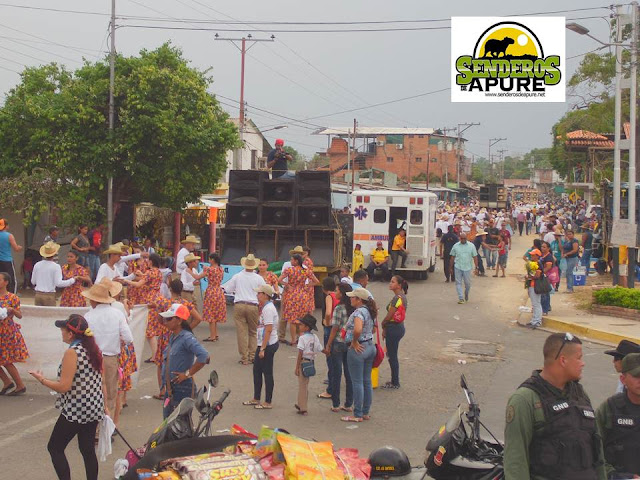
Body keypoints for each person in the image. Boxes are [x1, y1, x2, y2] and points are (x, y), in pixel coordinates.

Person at [503, 332, 606, 480]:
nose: (582, 363)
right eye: (579, 358)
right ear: (563, 360)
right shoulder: (525, 399)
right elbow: (515, 461)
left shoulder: (580, 394)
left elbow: (597, 451)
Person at [29, 315, 104, 480]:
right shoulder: (92, 348)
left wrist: (42, 380)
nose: (61, 332)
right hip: (94, 406)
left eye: (63, 329)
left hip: (77, 409)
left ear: (70, 334)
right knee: (87, 449)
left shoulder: (72, 352)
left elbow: (64, 386)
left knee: (54, 447)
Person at [82, 281, 133, 420]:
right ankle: (106, 426)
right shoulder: (117, 314)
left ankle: (93, 424)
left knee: (92, 392)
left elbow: (83, 339)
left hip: (92, 358)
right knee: (110, 394)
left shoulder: (88, 316)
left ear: (94, 300)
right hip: (110, 358)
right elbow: (128, 338)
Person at [158, 303, 210, 418]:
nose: (165, 322)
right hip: (171, 388)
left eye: (169, 319)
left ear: (179, 321)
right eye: (165, 319)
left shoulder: (187, 338)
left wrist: (187, 374)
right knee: (169, 425)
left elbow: (204, 356)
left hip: (182, 387)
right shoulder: (173, 336)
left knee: (179, 426)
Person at [597, 352, 640, 478]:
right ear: (623, 379)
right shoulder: (609, 408)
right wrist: (614, 475)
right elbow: (593, 450)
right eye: (637, 376)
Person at [342, 287, 376, 423]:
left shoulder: (358, 313)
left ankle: (357, 414)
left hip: (359, 348)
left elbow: (357, 329)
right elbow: (373, 329)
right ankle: (365, 412)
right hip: (369, 346)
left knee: (357, 382)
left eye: (353, 297)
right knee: (366, 380)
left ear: (359, 300)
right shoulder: (370, 311)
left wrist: (355, 341)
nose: (350, 299)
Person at [224, 254, 266, 365]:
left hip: (239, 304)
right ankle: (252, 356)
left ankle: (244, 357)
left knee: (241, 332)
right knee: (253, 332)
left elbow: (228, 288)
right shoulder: (258, 278)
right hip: (253, 305)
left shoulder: (237, 276)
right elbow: (264, 290)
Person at [243, 284, 280, 409]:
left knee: (267, 372)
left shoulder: (268, 309)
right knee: (257, 371)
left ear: (265, 295)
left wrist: (263, 348)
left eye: (259, 293)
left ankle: (268, 401)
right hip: (263, 343)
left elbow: (268, 329)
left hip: (268, 344)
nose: (257, 295)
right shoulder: (265, 307)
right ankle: (256, 398)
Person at [123, 253, 165, 362]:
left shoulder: (149, 272)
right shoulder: (159, 272)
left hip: (149, 299)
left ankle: (155, 355)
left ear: (150, 262)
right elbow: (149, 280)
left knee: (149, 330)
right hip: (158, 298)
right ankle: (156, 354)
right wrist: (142, 274)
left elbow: (138, 285)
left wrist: (126, 281)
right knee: (154, 328)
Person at [323, 282, 354, 413]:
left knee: (336, 374)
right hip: (350, 343)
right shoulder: (353, 308)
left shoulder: (339, 308)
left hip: (338, 343)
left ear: (342, 293)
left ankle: (336, 404)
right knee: (349, 374)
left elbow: (334, 329)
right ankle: (348, 404)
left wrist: (328, 345)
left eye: (337, 290)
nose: (335, 293)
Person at [278, 253, 319, 348]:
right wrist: (307, 285)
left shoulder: (289, 270)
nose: (291, 261)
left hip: (292, 296)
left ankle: (293, 340)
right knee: (301, 319)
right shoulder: (306, 271)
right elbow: (316, 281)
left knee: (292, 320)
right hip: (303, 295)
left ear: (296, 261)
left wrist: (287, 285)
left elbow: (279, 280)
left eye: (292, 260)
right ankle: (300, 338)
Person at [0, 272, 28, 396]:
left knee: (6, 360)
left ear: (6, 282)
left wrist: (12, 310)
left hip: (6, 331)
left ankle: (19, 384)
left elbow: (20, 315)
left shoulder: (12, 297)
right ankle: (7, 382)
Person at [381, 275, 408, 389]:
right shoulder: (402, 297)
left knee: (392, 356)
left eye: (393, 282)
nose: (390, 284)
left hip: (394, 328)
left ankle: (395, 382)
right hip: (397, 327)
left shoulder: (397, 298)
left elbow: (389, 316)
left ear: (399, 285)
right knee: (392, 354)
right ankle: (394, 380)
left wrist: (383, 325)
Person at [32, 242, 77, 306]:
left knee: (38, 315)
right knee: (50, 315)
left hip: (38, 294)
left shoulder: (37, 264)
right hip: (49, 295)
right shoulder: (56, 266)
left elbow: (33, 281)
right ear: (54, 254)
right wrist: (72, 280)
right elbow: (58, 283)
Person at [294, 314, 323, 415]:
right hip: (311, 362)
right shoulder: (314, 337)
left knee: (302, 386)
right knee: (305, 384)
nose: (300, 326)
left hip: (303, 362)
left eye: (301, 325)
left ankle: (303, 408)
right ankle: (301, 403)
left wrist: (297, 367)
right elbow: (320, 348)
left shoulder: (302, 338)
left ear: (306, 327)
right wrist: (328, 352)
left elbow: (300, 354)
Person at [194, 253, 226, 342]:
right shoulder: (221, 269)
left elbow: (197, 277)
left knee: (211, 314)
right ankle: (215, 334)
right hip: (219, 291)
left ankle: (212, 336)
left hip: (211, 291)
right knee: (215, 314)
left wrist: (189, 272)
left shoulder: (209, 269)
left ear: (212, 260)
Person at [449, 232, 478, 304]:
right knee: (458, 283)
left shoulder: (471, 246)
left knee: (467, 284)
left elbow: (475, 257)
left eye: (464, 238)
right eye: (461, 238)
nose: (463, 240)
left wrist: (476, 267)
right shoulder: (455, 246)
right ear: (459, 238)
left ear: (466, 238)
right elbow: (452, 257)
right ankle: (461, 298)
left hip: (467, 267)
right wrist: (450, 267)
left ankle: (466, 293)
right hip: (458, 266)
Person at [0, 218, 23, 294]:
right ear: (6, 226)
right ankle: (12, 295)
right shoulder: (9, 236)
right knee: (12, 279)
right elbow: (16, 248)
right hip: (7, 261)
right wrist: (20, 247)